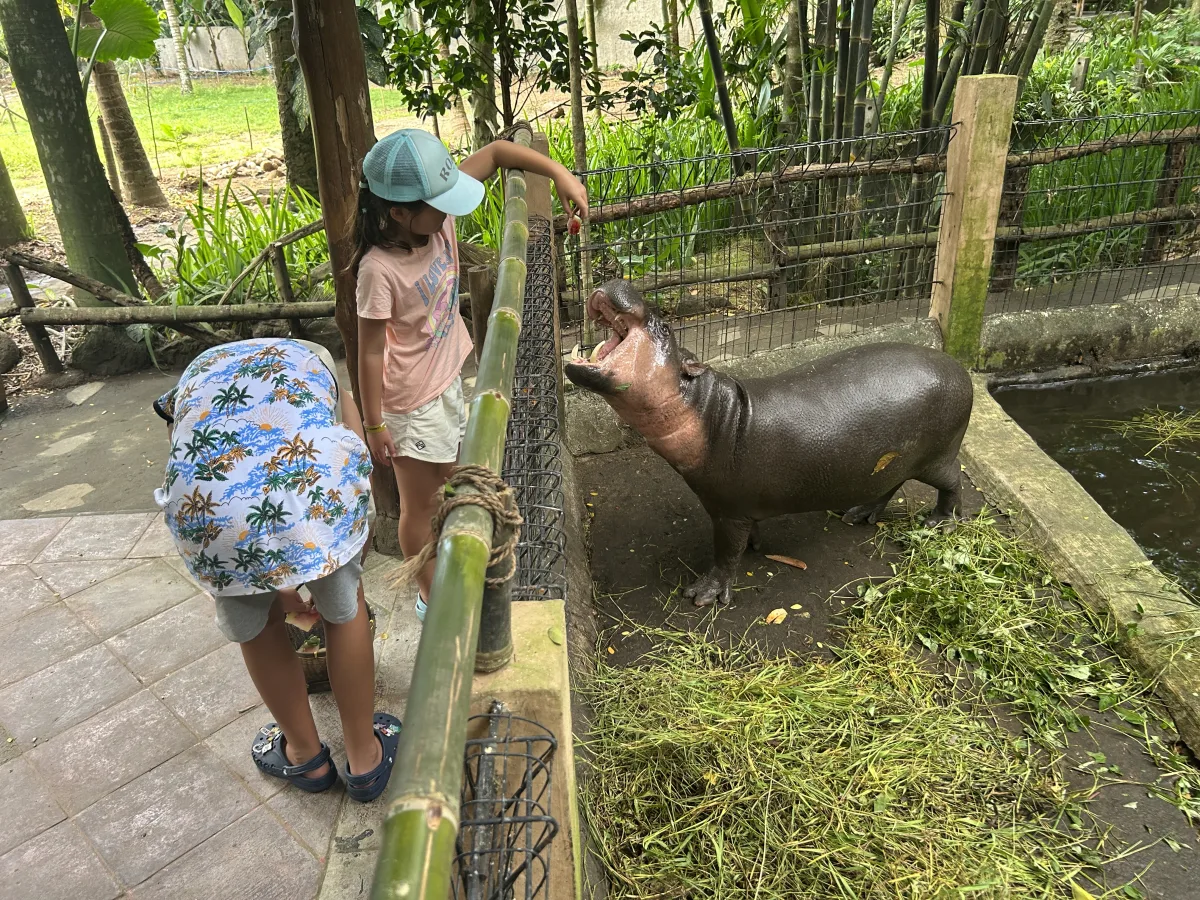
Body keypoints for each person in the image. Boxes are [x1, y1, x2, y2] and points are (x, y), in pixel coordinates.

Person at [352, 128, 588, 621]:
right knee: (422, 503)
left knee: (449, 484)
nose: (452, 210)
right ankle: (431, 595)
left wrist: (562, 175)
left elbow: (500, 153)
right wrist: (373, 424)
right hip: (412, 402)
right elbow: (370, 350)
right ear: (398, 213)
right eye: (441, 203)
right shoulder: (379, 270)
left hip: (446, 378)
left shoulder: (433, 218)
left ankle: (448, 571)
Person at [152, 337, 401, 803]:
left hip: (211, 509)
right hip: (309, 496)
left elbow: (184, 454)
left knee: (258, 626)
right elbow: (353, 452)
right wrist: (347, 546)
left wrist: (276, 588)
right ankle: (364, 758)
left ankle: (305, 756)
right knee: (344, 612)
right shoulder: (319, 367)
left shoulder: (196, 377)